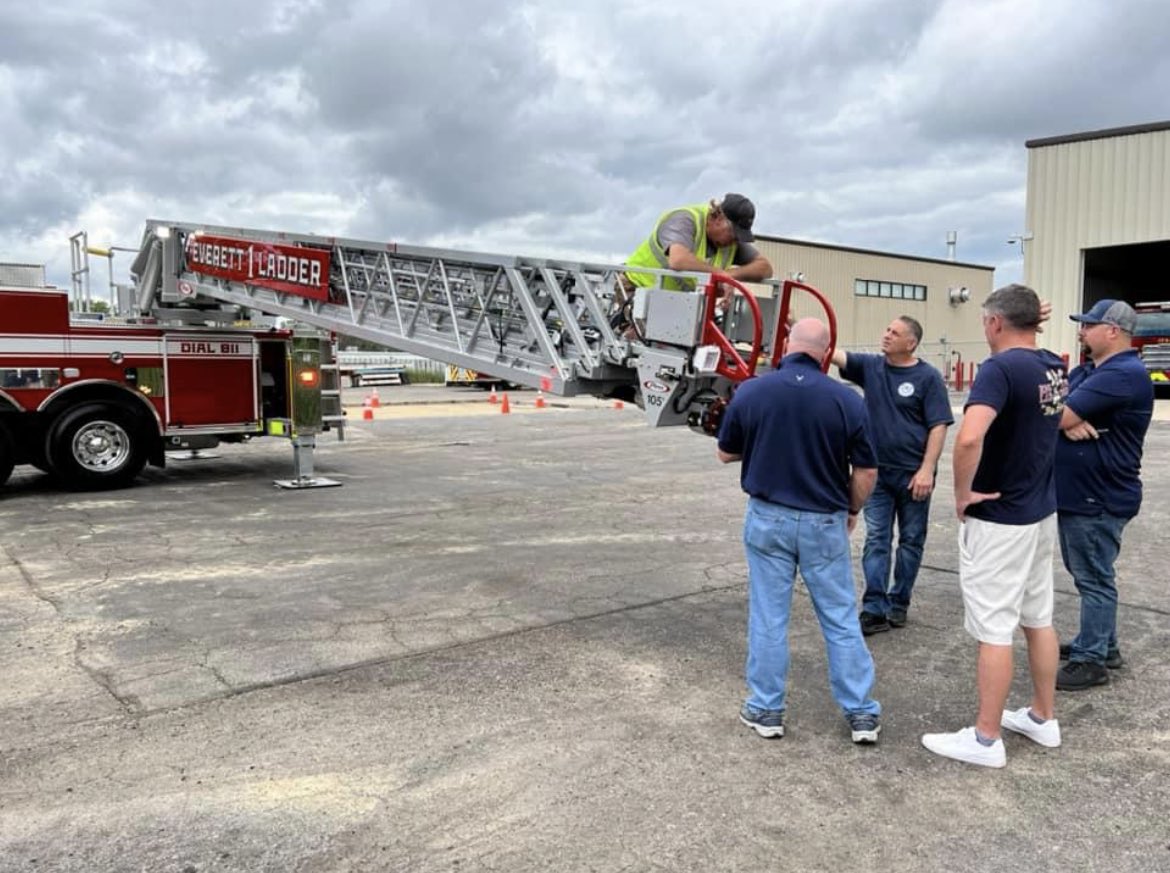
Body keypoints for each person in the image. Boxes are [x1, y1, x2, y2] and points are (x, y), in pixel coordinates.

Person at [921, 284, 1068, 768]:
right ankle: (1043, 717)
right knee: (1038, 617)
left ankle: (985, 739)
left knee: (994, 628)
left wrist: (962, 494)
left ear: (995, 323)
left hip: (1001, 518)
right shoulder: (1052, 364)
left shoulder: (999, 369)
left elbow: (969, 438)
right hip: (1039, 510)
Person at [716, 318, 882, 744]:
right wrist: (851, 508)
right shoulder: (847, 400)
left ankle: (766, 709)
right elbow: (866, 471)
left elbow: (725, 451)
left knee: (770, 616)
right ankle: (861, 713)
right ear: (826, 352)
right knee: (841, 617)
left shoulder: (752, 390)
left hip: (768, 518)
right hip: (823, 521)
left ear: (787, 344)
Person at [1054, 299, 1153, 691]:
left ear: (1113, 331)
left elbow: (1054, 412)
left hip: (1100, 495)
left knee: (1094, 577)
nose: (1082, 330)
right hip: (1084, 493)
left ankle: (1091, 659)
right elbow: (1055, 403)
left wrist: (1062, 420)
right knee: (1089, 573)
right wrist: (1065, 422)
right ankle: (1101, 644)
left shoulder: (1122, 374)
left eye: (1089, 325)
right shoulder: (1089, 370)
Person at [832, 316, 954, 634]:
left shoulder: (927, 377)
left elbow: (938, 426)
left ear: (910, 343)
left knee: (911, 540)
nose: (886, 335)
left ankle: (899, 602)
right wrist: (793, 324)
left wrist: (927, 469)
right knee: (877, 540)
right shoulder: (872, 368)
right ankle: (874, 607)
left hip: (914, 475)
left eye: (894, 333)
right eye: (886, 329)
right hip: (877, 474)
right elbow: (833, 351)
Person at [624, 193, 774, 296]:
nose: (735, 241)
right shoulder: (684, 220)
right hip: (636, 288)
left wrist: (730, 277)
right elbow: (678, 260)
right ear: (718, 218)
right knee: (634, 339)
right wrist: (719, 274)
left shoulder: (729, 242)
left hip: (673, 303)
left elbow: (765, 268)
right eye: (733, 233)